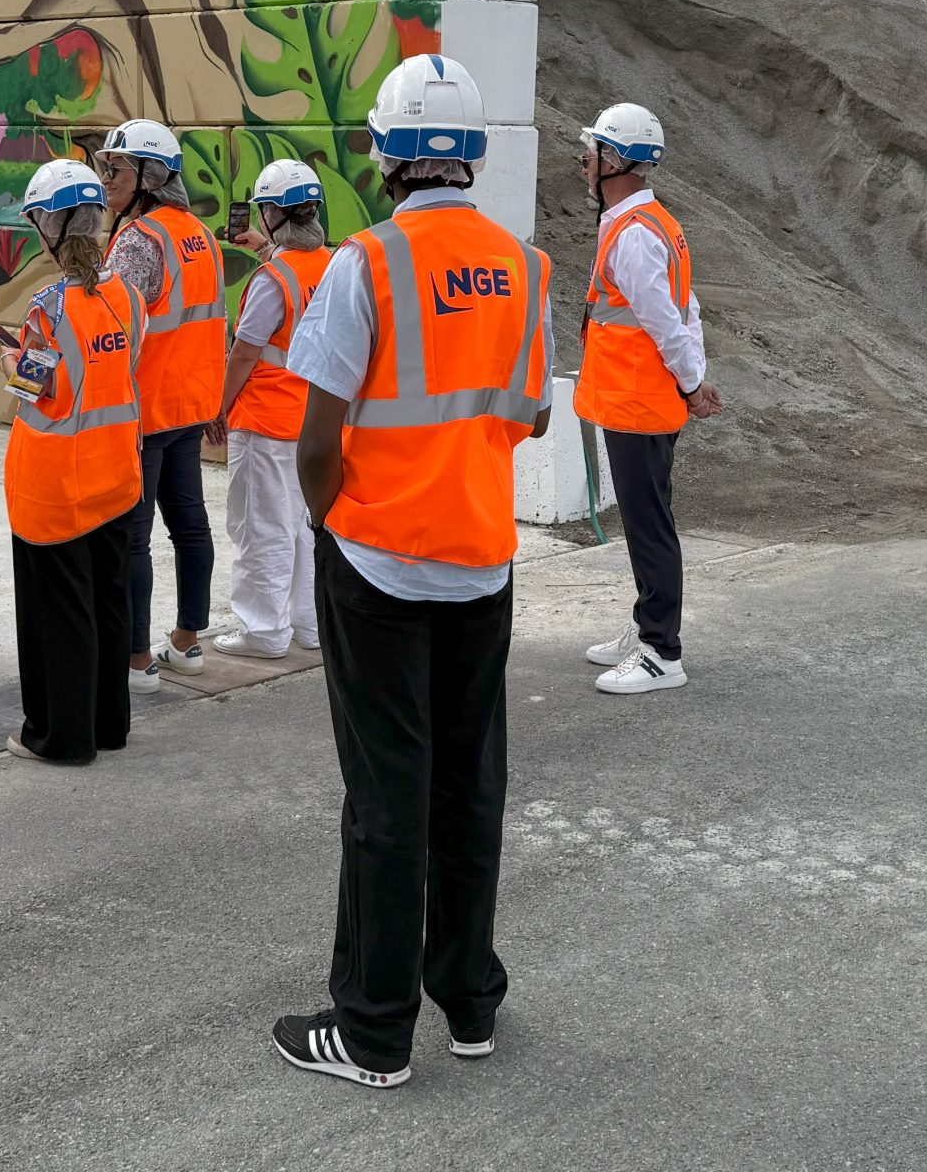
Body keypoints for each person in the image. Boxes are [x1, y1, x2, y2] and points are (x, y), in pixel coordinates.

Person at [270, 54, 552, 1089]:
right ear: (472, 154)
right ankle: (470, 1003)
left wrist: (331, 525)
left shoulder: (367, 263)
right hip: (481, 562)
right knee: (469, 791)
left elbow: (316, 438)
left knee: (386, 802)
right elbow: (533, 416)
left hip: (377, 566)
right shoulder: (525, 266)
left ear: (385, 155)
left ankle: (374, 1032)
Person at [1, 160, 148, 765]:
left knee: (59, 615)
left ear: (51, 226)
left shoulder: (49, 307)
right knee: (109, 604)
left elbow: (36, 388)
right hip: (116, 476)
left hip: (56, 486)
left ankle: (60, 738)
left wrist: (9, 362)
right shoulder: (127, 297)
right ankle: (109, 725)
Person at [574, 103, 723, 694]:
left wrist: (692, 384)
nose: (584, 162)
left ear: (614, 161)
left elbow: (665, 323)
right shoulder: (653, 222)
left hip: (639, 401)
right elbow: (689, 311)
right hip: (642, 399)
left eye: (592, 152)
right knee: (646, 519)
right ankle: (647, 629)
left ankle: (662, 651)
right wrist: (694, 378)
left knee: (649, 525)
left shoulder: (634, 235)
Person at [96, 118, 225, 691]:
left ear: (150, 176)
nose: (107, 180)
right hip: (189, 407)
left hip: (145, 412)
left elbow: (112, 325)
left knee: (134, 537)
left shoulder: (139, 240)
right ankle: (187, 643)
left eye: (116, 169)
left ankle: (137, 660)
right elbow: (213, 324)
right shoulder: (199, 235)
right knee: (190, 526)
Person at [205, 159, 335, 659]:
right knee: (305, 527)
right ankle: (308, 625)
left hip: (265, 422)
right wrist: (266, 248)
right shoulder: (333, 264)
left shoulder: (272, 279)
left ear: (272, 214)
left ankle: (264, 632)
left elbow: (244, 353)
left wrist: (218, 407)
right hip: (315, 420)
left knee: (261, 529)